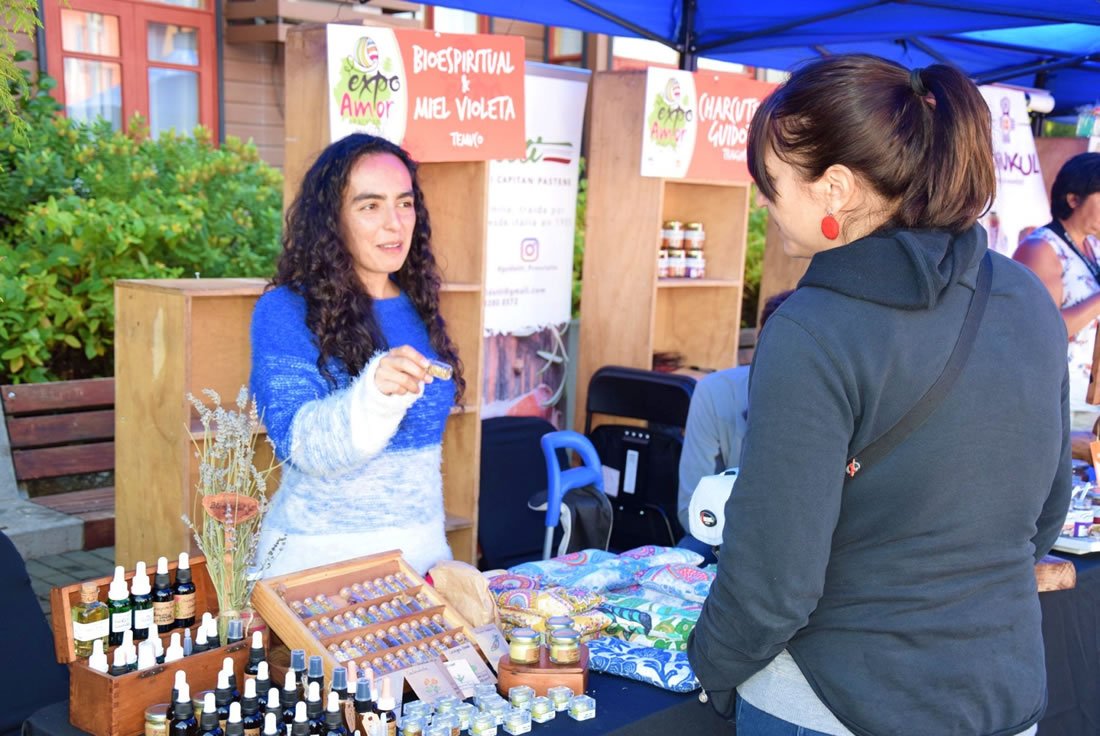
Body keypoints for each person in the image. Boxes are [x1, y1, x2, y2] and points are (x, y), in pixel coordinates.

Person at [687, 55, 1070, 736]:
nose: (764, 203)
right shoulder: (1024, 296)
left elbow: (773, 582)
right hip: (999, 691)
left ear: (834, 188)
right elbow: (1044, 514)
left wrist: (710, 666)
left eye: (770, 183)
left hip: (835, 699)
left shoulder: (813, 328)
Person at [250, 133, 464, 578]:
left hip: (416, 565)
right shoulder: (285, 310)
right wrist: (375, 395)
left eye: (404, 203)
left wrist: (432, 556)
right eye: (370, 206)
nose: (394, 223)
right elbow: (300, 446)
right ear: (331, 219)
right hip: (319, 572)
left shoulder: (417, 304)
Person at [676, 290, 793, 563]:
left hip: (805, 544)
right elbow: (690, 510)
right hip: (728, 535)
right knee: (687, 554)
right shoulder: (715, 393)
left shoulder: (842, 402)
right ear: (760, 345)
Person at [1013, 153, 1100, 431]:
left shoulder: (1093, 246)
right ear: (1073, 199)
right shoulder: (1040, 248)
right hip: (1060, 401)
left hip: (1090, 401)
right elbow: (1043, 330)